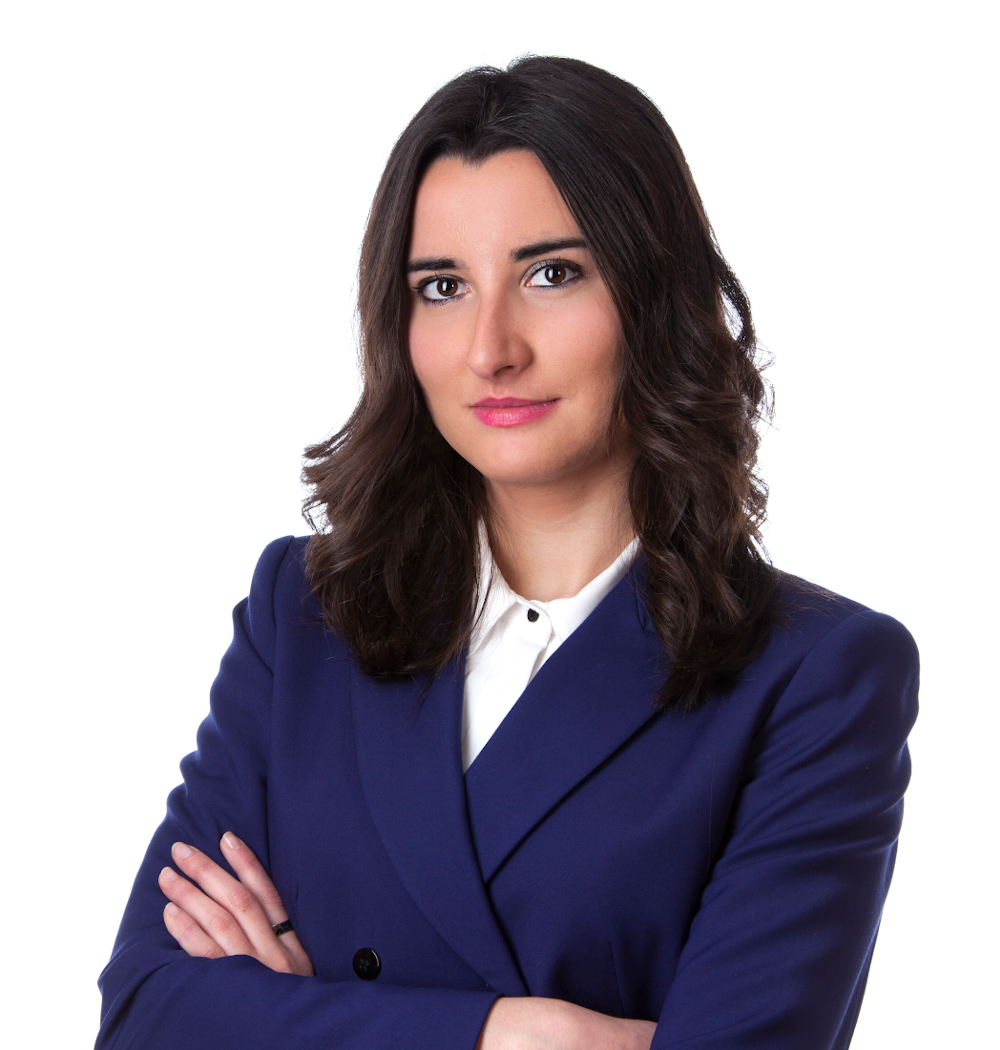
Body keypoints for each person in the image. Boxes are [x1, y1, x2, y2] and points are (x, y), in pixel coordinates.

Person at [96, 56, 918, 1050]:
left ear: (655, 295)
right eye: (442, 286)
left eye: (551, 274)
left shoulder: (816, 675)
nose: (491, 348)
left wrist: (292, 1019)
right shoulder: (304, 616)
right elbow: (144, 1012)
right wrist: (519, 1034)